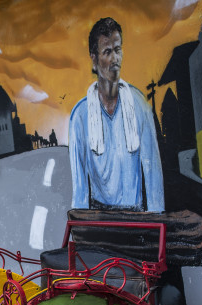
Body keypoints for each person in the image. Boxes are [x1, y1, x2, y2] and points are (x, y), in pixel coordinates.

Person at [69, 17, 164, 212]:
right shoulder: (80, 115)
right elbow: (79, 188)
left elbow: (153, 173)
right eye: (107, 52)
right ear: (94, 59)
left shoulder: (140, 106)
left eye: (118, 50)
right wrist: (81, 230)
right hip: (99, 218)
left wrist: (157, 222)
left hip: (136, 217)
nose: (115, 59)